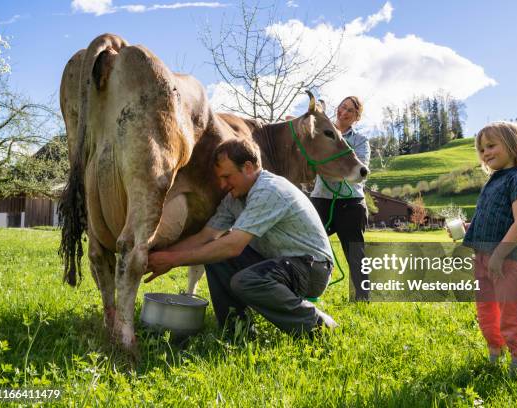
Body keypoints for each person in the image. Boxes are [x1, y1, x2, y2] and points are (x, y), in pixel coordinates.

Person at [145, 138, 337, 336]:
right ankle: (237, 329)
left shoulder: (268, 190)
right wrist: (158, 256)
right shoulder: (234, 199)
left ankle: (318, 326)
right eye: (220, 178)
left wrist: (173, 260)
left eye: (227, 177)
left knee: (245, 279)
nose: (222, 185)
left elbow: (233, 246)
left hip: (312, 268)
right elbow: (206, 236)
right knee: (215, 256)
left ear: (248, 167)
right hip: (279, 262)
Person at [461, 121, 517, 377]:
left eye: (491, 145)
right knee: (486, 313)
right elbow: (494, 217)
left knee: (510, 314)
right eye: (482, 149)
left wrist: (498, 255)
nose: (486, 153)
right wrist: (468, 227)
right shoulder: (493, 181)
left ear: (512, 145)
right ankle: (494, 354)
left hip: (506, 260)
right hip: (483, 259)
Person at [310, 96, 370, 301]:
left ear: (357, 118)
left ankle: (362, 297)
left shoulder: (361, 141)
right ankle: (304, 289)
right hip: (321, 199)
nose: (344, 113)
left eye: (350, 111)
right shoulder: (320, 133)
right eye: (342, 107)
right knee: (307, 245)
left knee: (355, 253)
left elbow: (360, 171)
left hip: (351, 203)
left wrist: (332, 162)